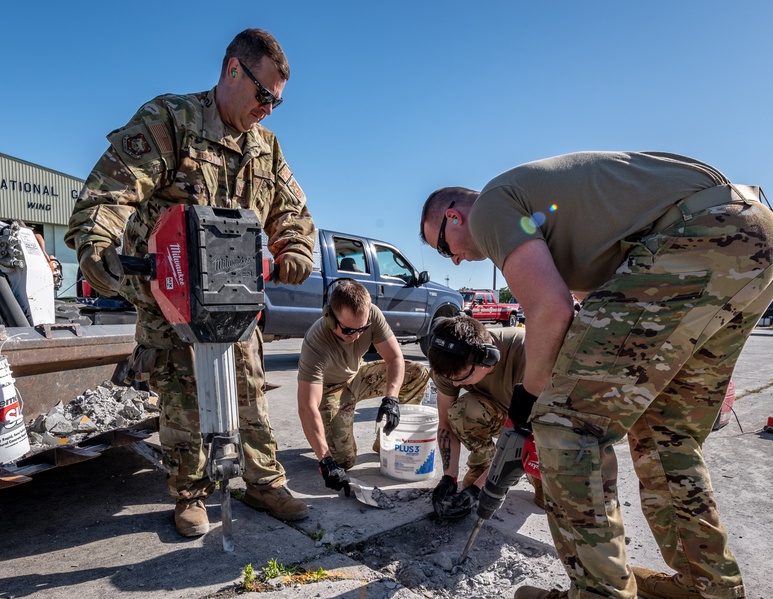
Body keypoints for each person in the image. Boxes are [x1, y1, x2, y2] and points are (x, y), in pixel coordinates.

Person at [419, 151, 773, 599]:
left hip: (699, 236)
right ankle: (713, 591)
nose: (455, 259)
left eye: (443, 246)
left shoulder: (489, 210)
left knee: (566, 424)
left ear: (455, 216)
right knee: (665, 433)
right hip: (754, 235)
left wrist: (528, 404)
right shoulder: (550, 219)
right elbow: (593, 307)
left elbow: (551, 311)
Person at [66, 29, 316, 538]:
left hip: (233, 293)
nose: (268, 108)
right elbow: (114, 190)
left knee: (248, 387)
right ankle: (191, 492)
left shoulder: (266, 148)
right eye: (263, 94)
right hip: (169, 290)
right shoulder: (171, 119)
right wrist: (98, 246)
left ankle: (264, 482)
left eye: (277, 102)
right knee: (182, 392)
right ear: (231, 70)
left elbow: (292, 212)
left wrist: (294, 248)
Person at [297, 279, 430, 492]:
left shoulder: (372, 315)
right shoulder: (316, 342)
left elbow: (395, 358)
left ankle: (386, 442)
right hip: (332, 390)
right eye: (349, 330)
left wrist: (391, 399)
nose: (357, 336)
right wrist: (325, 460)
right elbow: (306, 406)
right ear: (330, 318)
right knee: (343, 461)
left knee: (417, 373)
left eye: (363, 328)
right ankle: (336, 443)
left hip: (358, 375)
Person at [424, 315, 544, 519]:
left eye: (461, 378)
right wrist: (448, 477)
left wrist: (479, 490)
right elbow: (445, 423)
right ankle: (483, 465)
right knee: (463, 412)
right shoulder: (448, 365)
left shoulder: (529, 353)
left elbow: (526, 434)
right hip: (498, 413)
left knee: (551, 494)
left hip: (542, 425)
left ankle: (537, 474)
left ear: (488, 360)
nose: (454, 385)